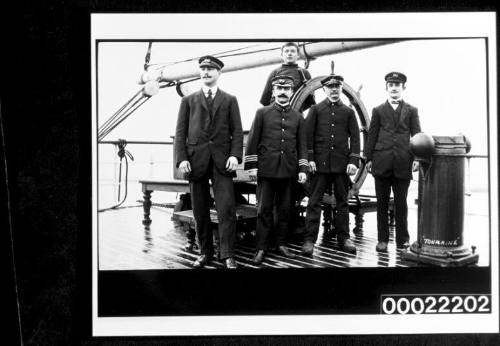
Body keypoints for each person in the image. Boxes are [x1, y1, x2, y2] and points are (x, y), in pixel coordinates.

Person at [174, 55, 243, 269]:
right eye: (202, 68)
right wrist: (182, 159)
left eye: (210, 69)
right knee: (199, 210)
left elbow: (237, 131)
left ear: (218, 73)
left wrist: (234, 155)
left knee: (226, 210)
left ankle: (227, 254)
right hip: (196, 161)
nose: (205, 72)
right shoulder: (188, 101)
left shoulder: (230, 100)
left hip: (222, 162)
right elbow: (180, 133)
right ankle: (205, 252)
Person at [244, 75, 309, 265]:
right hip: (266, 170)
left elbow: (302, 145)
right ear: (273, 91)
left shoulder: (298, 117)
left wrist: (303, 168)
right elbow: (252, 141)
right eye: (279, 89)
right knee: (263, 210)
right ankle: (261, 248)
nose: (282, 92)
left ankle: (281, 244)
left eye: (286, 89)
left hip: (289, 170)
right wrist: (252, 166)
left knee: (285, 210)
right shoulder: (262, 113)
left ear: (291, 92)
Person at [302, 74, 360, 256]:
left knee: (343, 203)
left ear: (341, 89)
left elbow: (356, 139)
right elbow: (307, 137)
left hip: (342, 166)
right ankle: (310, 240)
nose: (334, 90)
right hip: (319, 165)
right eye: (330, 87)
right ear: (324, 89)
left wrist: (353, 161)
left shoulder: (349, 112)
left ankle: (344, 238)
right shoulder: (316, 110)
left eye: (337, 87)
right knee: (314, 202)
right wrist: (310, 158)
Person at [364, 71, 421, 252]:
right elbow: (371, 136)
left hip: (403, 162)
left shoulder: (412, 110)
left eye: (397, 85)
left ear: (403, 88)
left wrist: (418, 158)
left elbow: (417, 136)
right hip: (381, 162)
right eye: (391, 85)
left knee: (401, 204)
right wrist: (368, 158)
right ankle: (382, 240)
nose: (394, 88)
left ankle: (403, 240)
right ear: (386, 88)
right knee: (381, 203)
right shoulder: (378, 110)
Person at [260, 42, 315, 111]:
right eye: (286, 51)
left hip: (295, 115)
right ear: (282, 55)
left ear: (298, 55)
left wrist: (297, 110)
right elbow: (265, 99)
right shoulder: (274, 73)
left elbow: (310, 100)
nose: (289, 53)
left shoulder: (305, 73)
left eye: (293, 51)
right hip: (275, 115)